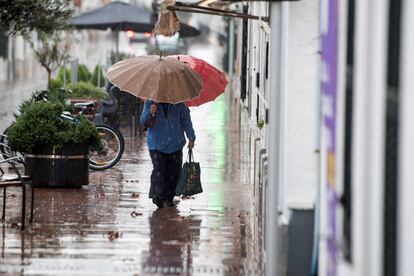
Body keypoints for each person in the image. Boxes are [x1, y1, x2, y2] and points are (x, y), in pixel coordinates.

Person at [140, 100, 195, 208]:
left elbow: (186, 120)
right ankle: (158, 196)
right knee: (159, 170)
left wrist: (191, 137)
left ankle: (169, 197)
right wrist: (150, 112)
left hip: (176, 144)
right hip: (156, 144)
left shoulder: (179, 103)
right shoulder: (150, 102)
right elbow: (143, 122)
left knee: (174, 172)